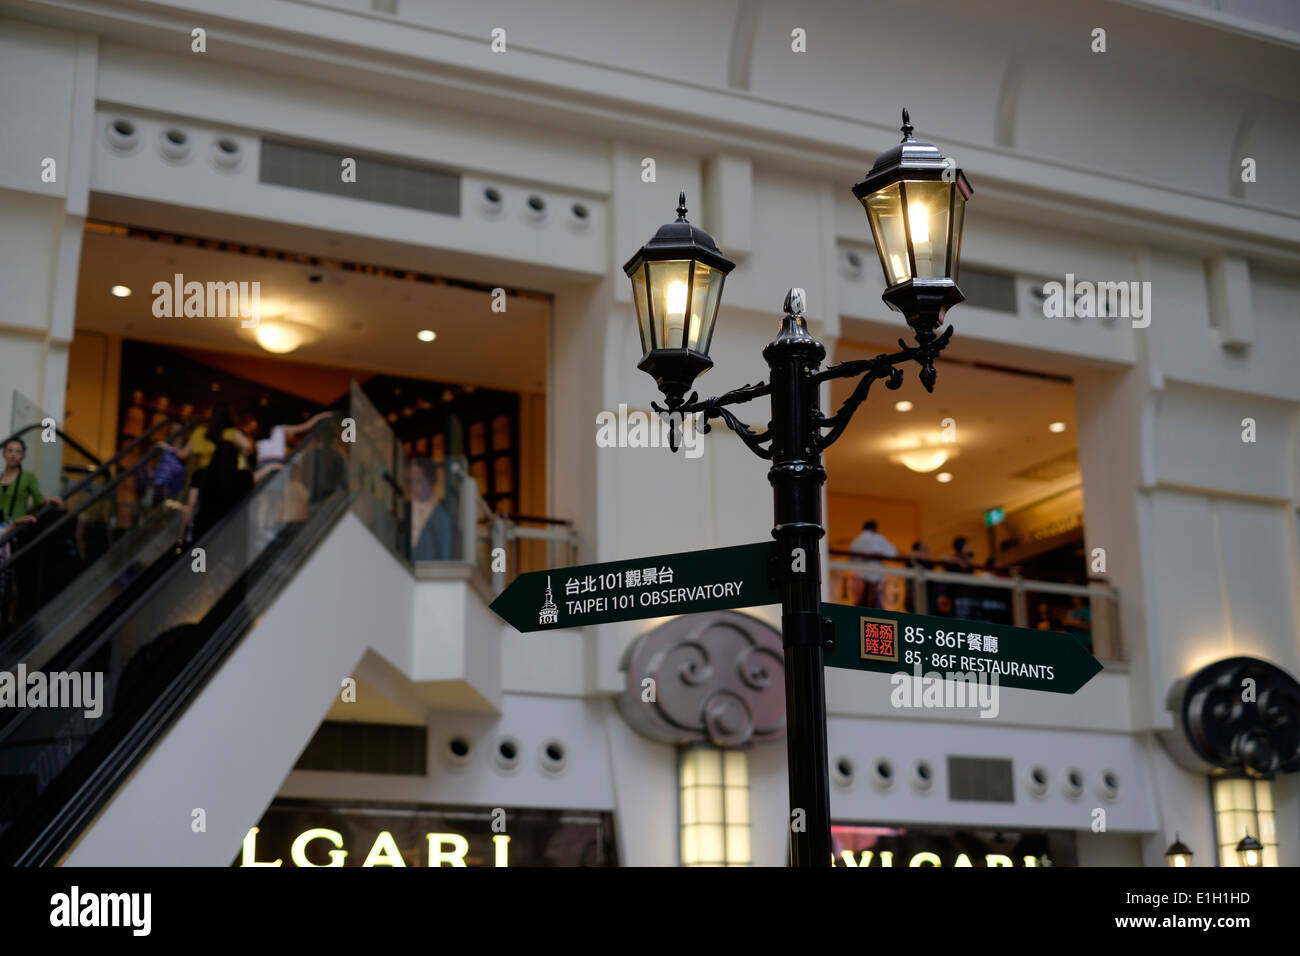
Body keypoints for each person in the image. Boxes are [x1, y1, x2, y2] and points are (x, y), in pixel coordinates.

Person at [181, 440, 253, 545]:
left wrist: (183, 532)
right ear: (236, 457)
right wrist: (271, 467)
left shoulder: (201, 474)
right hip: (229, 532)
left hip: (203, 528)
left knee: (200, 560)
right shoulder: (243, 477)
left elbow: (192, 504)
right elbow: (255, 477)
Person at [252, 410, 335, 482]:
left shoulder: (258, 434)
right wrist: (321, 416)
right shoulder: (280, 429)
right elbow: (305, 426)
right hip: (276, 463)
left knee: (261, 496)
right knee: (276, 493)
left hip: (261, 466)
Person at [849, 520, 898, 608]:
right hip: (872, 579)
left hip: (859, 577)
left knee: (860, 606)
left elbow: (851, 559)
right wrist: (879, 554)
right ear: (874, 528)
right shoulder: (877, 539)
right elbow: (893, 552)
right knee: (874, 608)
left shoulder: (856, 542)